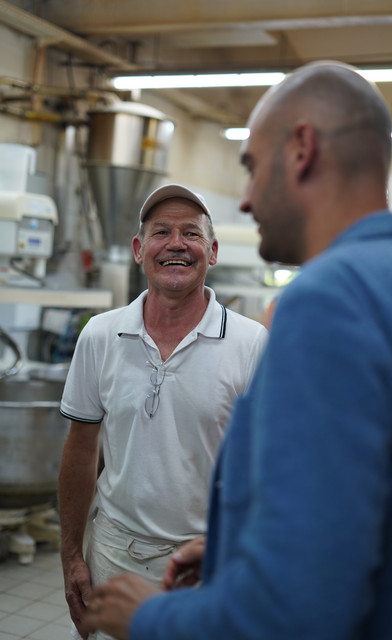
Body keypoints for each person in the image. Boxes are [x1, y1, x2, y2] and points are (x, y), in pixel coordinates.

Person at [81, 61, 392, 640]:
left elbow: (295, 612)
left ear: (302, 150)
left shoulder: (326, 302)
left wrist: (150, 617)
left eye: (250, 166)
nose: (244, 200)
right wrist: (240, 539)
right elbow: (383, 501)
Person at [58, 183, 268, 639]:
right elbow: (80, 451)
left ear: (212, 252)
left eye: (191, 234)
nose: (176, 244)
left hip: (209, 563)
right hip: (114, 557)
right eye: (161, 232)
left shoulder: (252, 344)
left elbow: (272, 467)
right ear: (139, 249)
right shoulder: (99, 335)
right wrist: (72, 554)